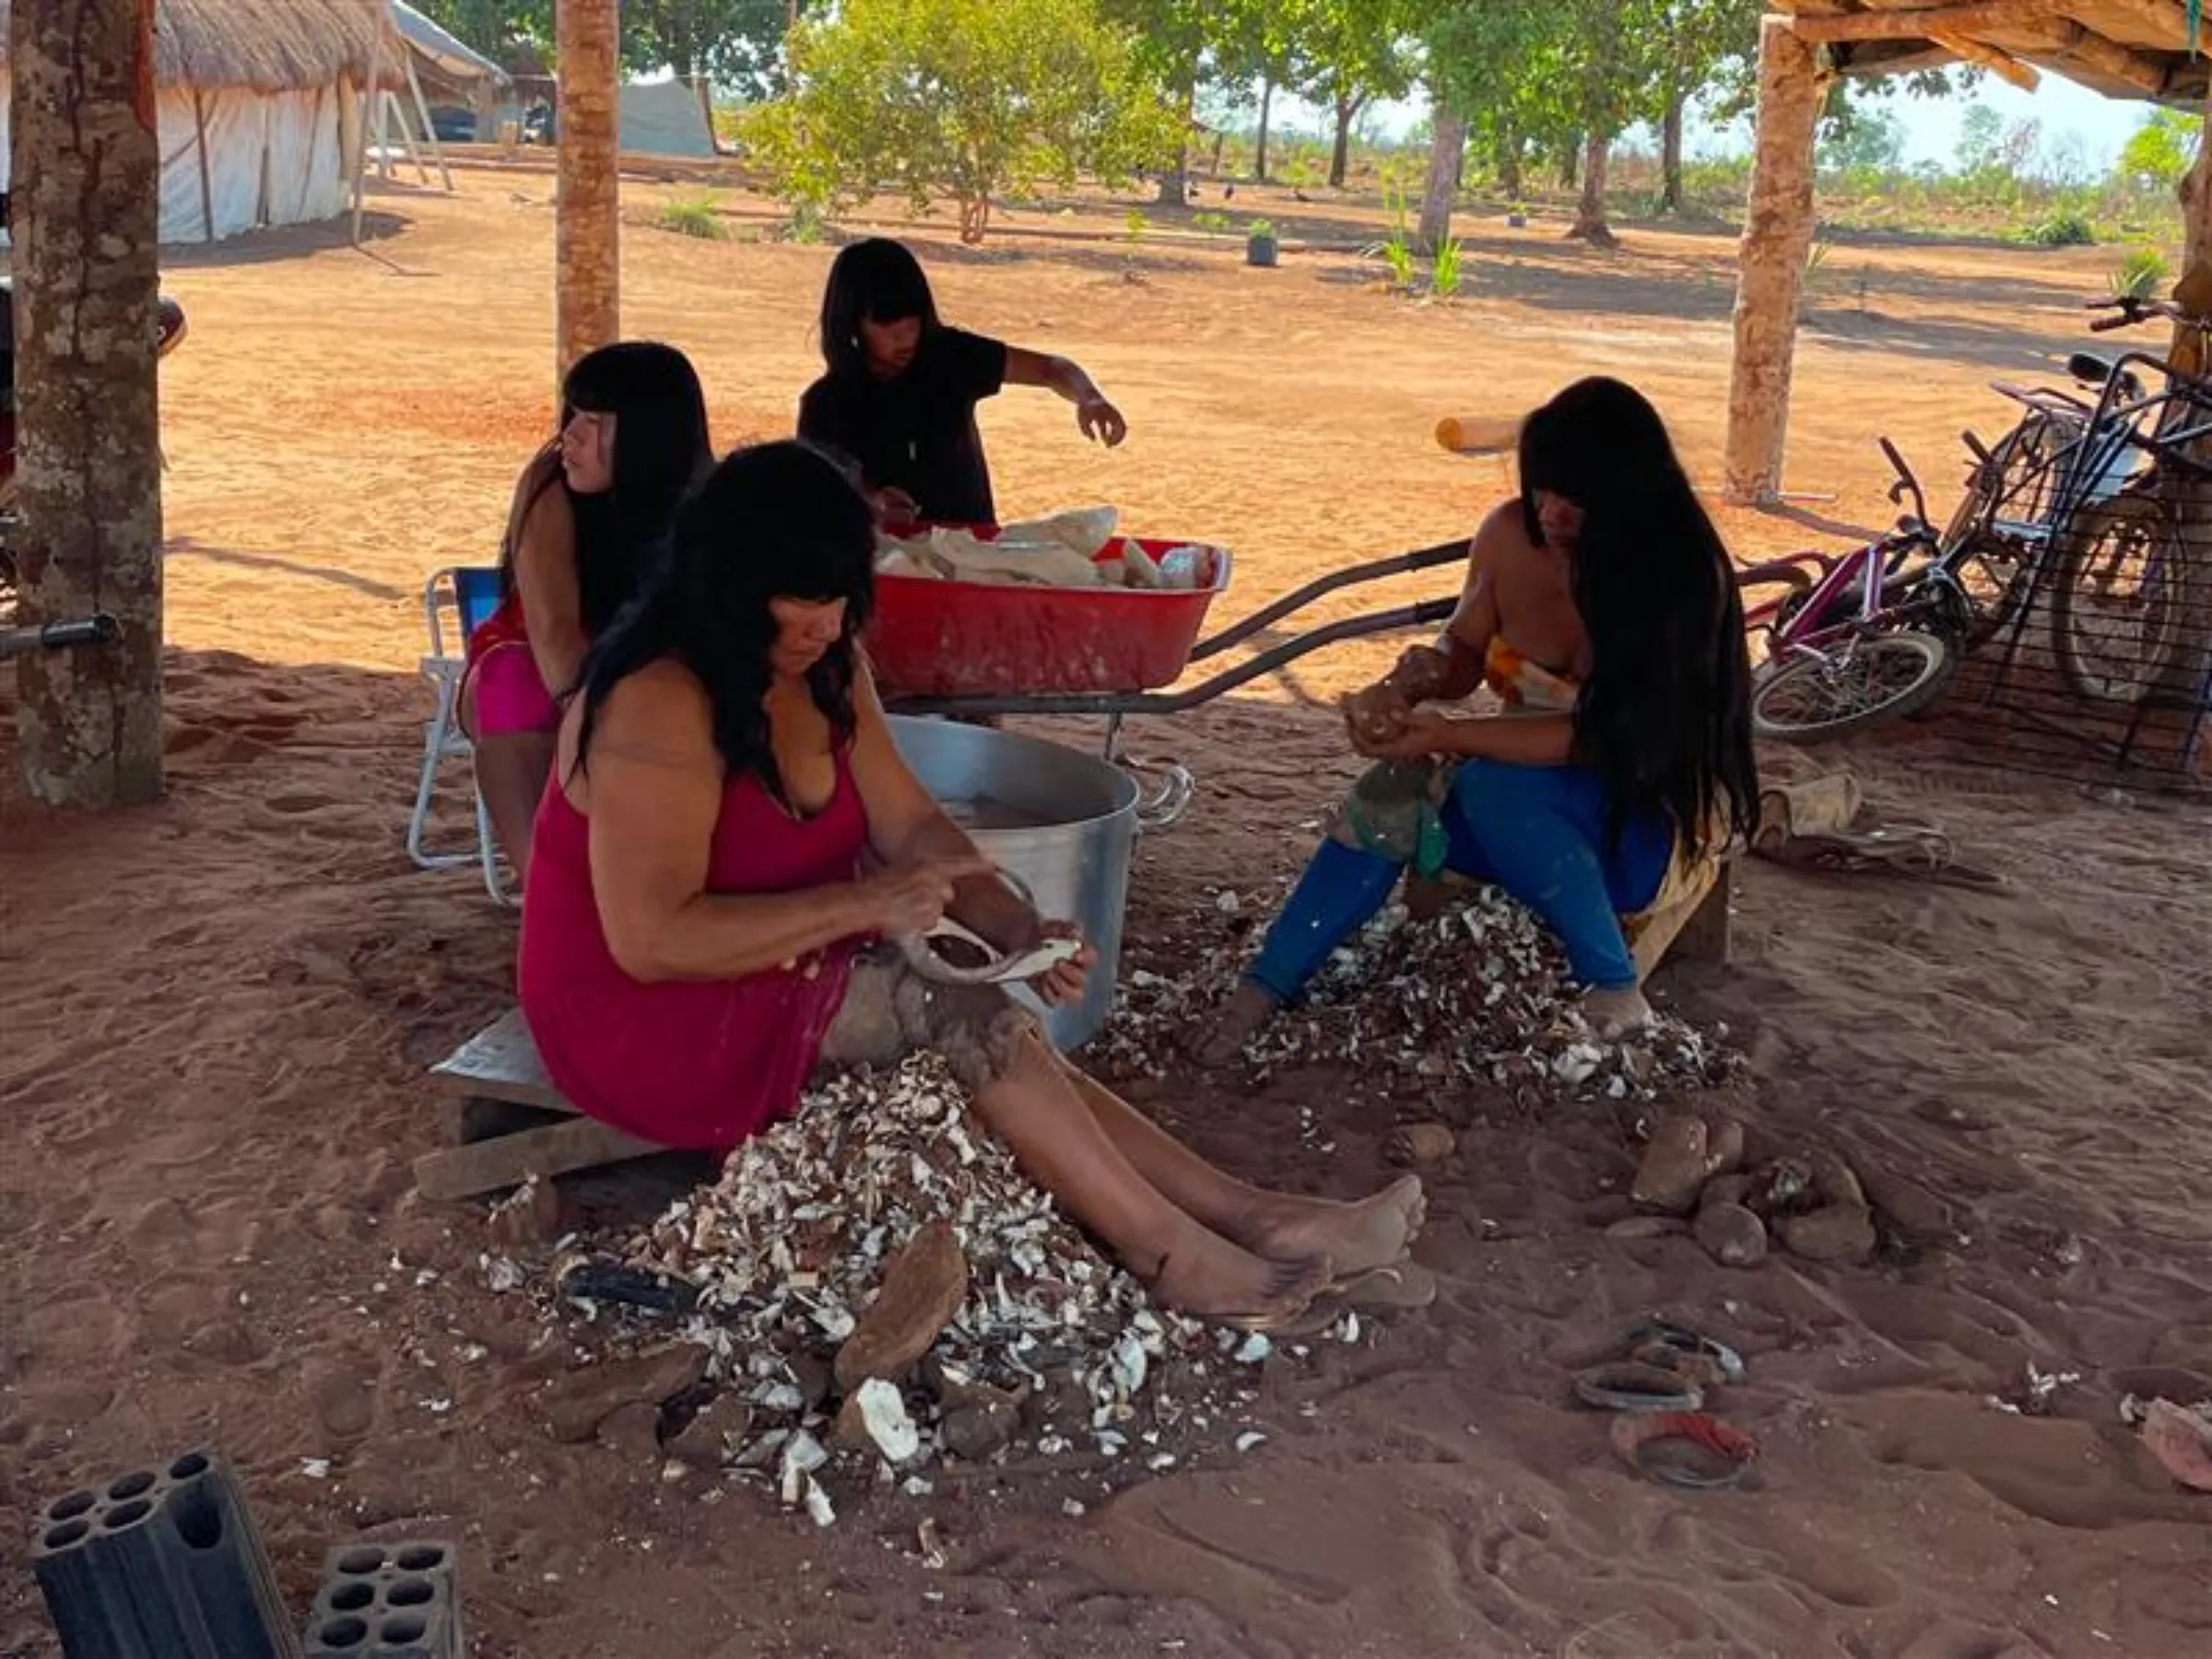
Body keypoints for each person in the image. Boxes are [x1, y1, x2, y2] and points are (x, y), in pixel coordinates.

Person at [517, 440, 1422, 1329]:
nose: (825, 627)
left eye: (839, 599)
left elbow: (913, 825)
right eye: (799, 603)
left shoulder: (830, 671)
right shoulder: (656, 702)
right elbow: (651, 940)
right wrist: (867, 905)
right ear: (722, 584)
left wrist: (1015, 927)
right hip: (638, 1017)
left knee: (996, 1020)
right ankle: (1171, 1255)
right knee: (949, 1012)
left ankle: (1256, 1215)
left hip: (765, 969)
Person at [1199, 378, 1759, 1062]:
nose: (1550, 511)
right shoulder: (1507, 534)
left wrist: (1448, 734)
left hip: (1644, 824)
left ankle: (1613, 986)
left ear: (1626, 499)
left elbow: (1593, 738)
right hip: (1529, 811)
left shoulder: (1679, 575)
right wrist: (1413, 681)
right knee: (1391, 792)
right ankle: (1268, 982)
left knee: (1494, 785)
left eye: (1574, 501)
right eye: (1542, 490)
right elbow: (1464, 650)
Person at [459, 341, 712, 881]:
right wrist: (597, 718)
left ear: (649, 434)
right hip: (549, 663)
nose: (570, 432)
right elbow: (551, 629)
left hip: (645, 667)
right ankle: (545, 884)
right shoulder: (550, 483)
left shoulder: (707, 503)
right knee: (512, 684)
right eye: (572, 413)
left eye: (595, 420)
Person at [796, 237, 1127, 527]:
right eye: (887, 324)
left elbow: (1052, 368)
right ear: (852, 323)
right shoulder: (825, 403)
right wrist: (871, 501)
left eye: (913, 319)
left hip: (972, 552)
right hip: (881, 565)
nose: (906, 337)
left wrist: (1089, 397)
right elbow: (817, 491)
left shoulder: (951, 357)